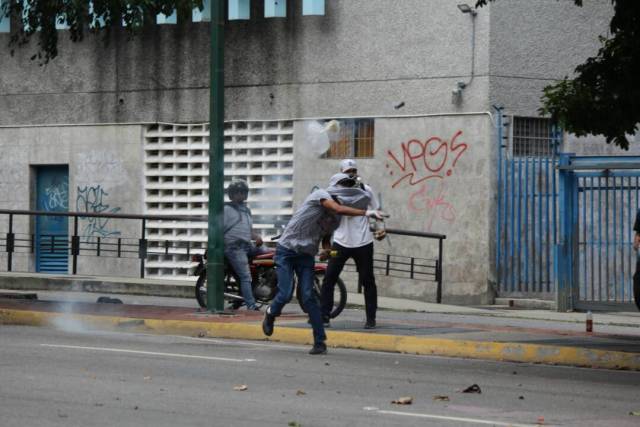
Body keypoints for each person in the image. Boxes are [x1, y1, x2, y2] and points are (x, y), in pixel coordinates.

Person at [262, 173, 387, 355]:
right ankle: (271, 313)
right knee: (286, 292)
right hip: (287, 251)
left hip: (306, 255)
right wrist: (366, 212)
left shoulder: (335, 219)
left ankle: (320, 342)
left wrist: (327, 250)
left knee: (308, 296)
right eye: (344, 185)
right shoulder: (320, 196)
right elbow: (336, 208)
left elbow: (326, 238)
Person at [320, 159, 385, 329]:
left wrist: (381, 229)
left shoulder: (366, 190)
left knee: (367, 280)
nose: (352, 174)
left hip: (363, 242)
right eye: (348, 171)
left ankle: (371, 319)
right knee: (329, 278)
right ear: (341, 173)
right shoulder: (333, 192)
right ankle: (324, 316)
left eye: (354, 171)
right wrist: (325, 241)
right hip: (341, 243)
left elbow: (377, 212)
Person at [224, 179, 265, 311]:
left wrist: (257, 237)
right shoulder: (226, 209)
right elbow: (218, 229)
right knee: (245, 276)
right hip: (235, 247)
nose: (241, 195)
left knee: (274, 252)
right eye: (238, 192)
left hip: (248, 246)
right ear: (231, 194)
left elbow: (249, 231)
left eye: (243, 192)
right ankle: (251, 306)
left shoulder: (247, 211)